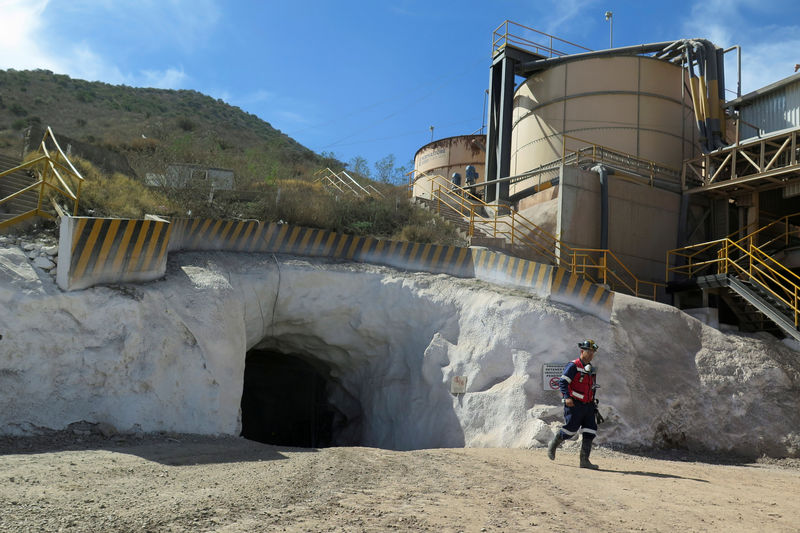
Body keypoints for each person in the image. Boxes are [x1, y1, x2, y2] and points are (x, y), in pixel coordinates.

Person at [547, 339, 601, 469]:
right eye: (589, 351)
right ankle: (554, 443)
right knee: (570, 430)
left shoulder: (590, 368)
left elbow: (590, 386)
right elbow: (562, 382)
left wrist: (593, 402)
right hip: (575, 405)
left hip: (588, 406)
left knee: (590, 430)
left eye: (593, 352)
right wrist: (567, 397)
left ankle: (584, 461)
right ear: (582, 351)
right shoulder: (573, 365)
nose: (591, 354)